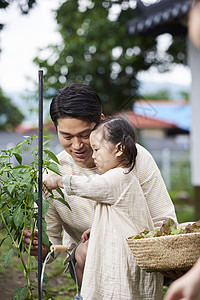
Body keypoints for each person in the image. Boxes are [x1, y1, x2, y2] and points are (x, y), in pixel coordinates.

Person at [23, 83, 178, 286]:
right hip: (85, 261)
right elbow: (51, 244)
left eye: (85, 135)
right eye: (67, 136)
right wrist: (41, 249)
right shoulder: (50, 174)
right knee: (89, 250)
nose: (77, 146)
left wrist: (114, 235)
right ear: (56, 129)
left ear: (102, 122)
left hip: (139, 255)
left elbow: (165, 222)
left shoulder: (135, 159)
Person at [43, 116, 164, 299]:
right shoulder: (120, 177)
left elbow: (92, 185)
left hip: (126, 254)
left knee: (118, 291)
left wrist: (59, 181)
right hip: (126, 248)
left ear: (119, 149)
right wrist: (98, 228)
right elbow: (120, 218)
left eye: (97, 149)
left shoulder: (119, 177)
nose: (93, 156)